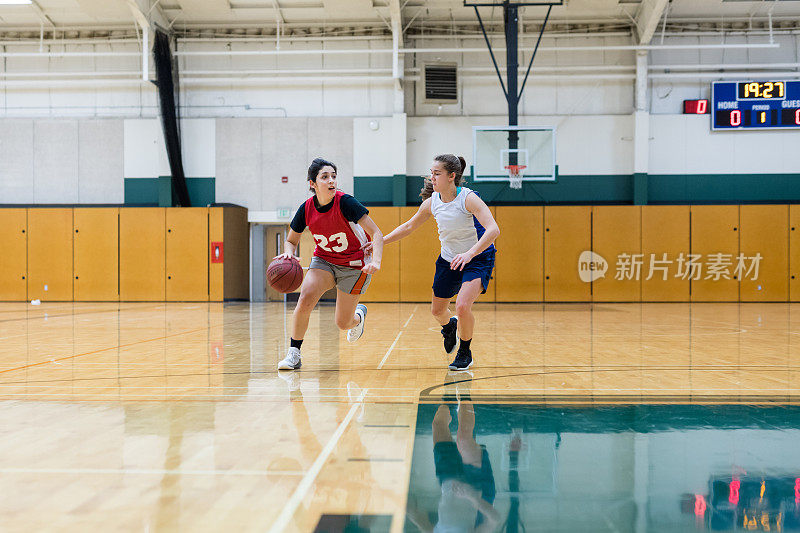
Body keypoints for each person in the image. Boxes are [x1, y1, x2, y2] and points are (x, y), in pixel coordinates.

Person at [365, 154, 499, 370]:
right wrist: (380, 241)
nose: (431, 178)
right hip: (448, 259)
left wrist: (470, 254)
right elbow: (408, 227)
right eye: (431, 173)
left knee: (463, 306)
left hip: (477, 257)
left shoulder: (468, 199)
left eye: (437, 174)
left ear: (451, 176)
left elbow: (494, 229)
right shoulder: (432, 202)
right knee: (437, 311)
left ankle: (465, 351)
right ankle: (449, 326)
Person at [276, 157, 383, 370]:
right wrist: (289, 254)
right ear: (312, 184)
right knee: (304, 299)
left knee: (342, 323)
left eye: (333, 176)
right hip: (324, 260)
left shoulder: (346, 202)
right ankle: (294, 354)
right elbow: (291, 241)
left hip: (355, 265)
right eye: (325, 177)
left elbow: (376, 233)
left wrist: (376, 261)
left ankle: (358, 316)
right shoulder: (306, 208)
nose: (331, 180)